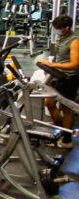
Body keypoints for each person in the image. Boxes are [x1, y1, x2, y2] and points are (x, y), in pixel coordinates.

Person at [38, 15, 79, 149]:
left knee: (66, 108)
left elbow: (74, 64)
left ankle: (66, 140)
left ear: (67, 28)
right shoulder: (62, 37)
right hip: (58, 75)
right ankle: (60, 130)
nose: (56, 30)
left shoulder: (74, 41)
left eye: (58, 28)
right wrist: (51, 66)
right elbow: (60, 57)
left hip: (70, 78)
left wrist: (53, 65)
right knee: (49, 103)